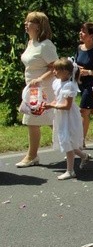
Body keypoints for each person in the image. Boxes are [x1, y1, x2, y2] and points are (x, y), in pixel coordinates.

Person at [16, 11, 58, 168]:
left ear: (39, 26)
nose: (26, 24)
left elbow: (55, 67)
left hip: (44, 88)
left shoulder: (46, 45)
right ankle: (73, 147)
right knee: (40, 121)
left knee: (44, 121)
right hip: (32, 88)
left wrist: (40, 80)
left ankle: (32, 156)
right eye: (26, 21)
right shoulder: (30, 43)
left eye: (30, 22)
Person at [44, 58, 91, 180]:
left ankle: (70, 171)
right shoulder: (57, 82)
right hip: (60, 115)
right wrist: (47, 104)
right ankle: (84, 156)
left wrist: (51, 105)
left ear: (66, 72)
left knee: (67, 142)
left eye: (56, 70)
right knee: (67, 141)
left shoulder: (69, 85)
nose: (54, 72)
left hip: (68, 116)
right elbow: (57, 99)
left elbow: (67, 106)